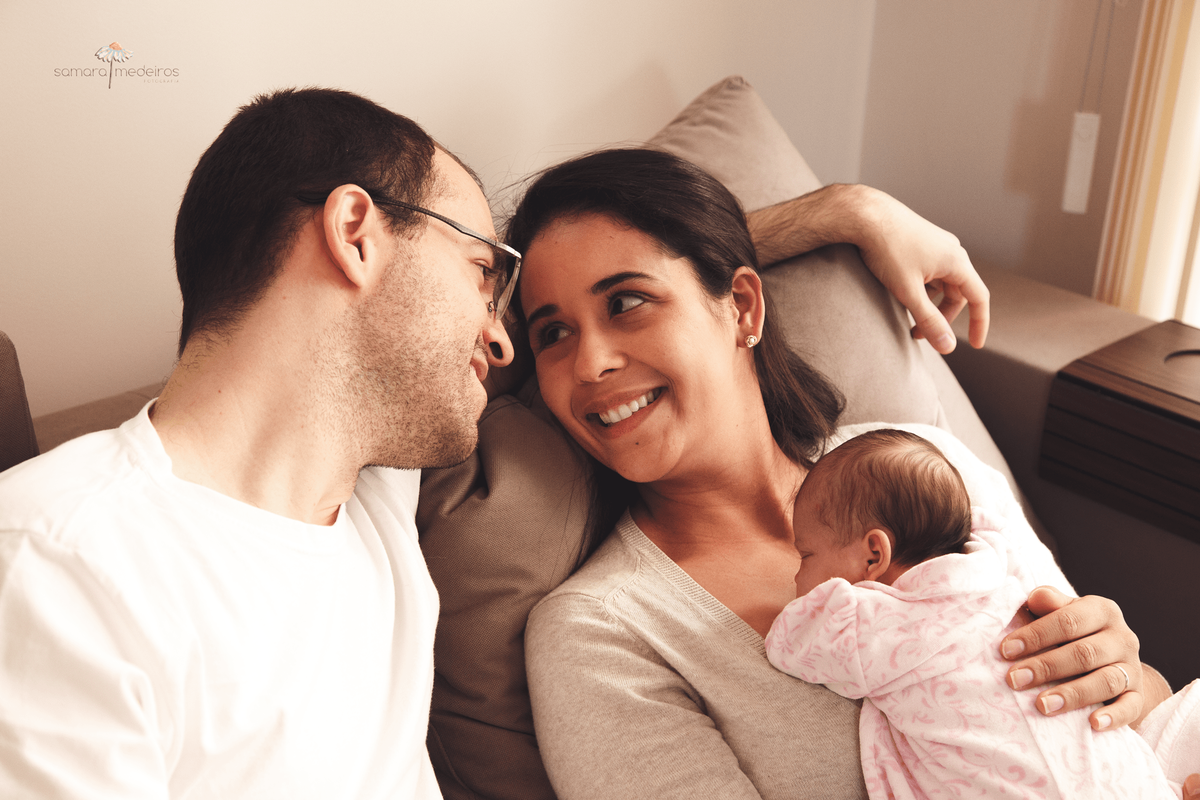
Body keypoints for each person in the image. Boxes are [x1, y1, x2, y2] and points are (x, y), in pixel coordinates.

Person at [0, 87, 1026, 797]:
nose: (501, 339)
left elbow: (659, 277)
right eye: (485, 269)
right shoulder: (59, 562)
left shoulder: (378, 497)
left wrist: (848, 209)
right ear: (357, 234)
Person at [513, 148, 1177, 800]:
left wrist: (1128, 672)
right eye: (552, 334)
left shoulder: (923, 466)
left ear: (742, 308)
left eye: (626, 303)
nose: (590, 362)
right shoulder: (600, 635)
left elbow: (1118, 704)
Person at [765, 428, 1181, 798]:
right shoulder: (994, 563)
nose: (796, 574)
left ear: (874, 554)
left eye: (806, 555)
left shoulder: (873, 624)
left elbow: (788, 644)